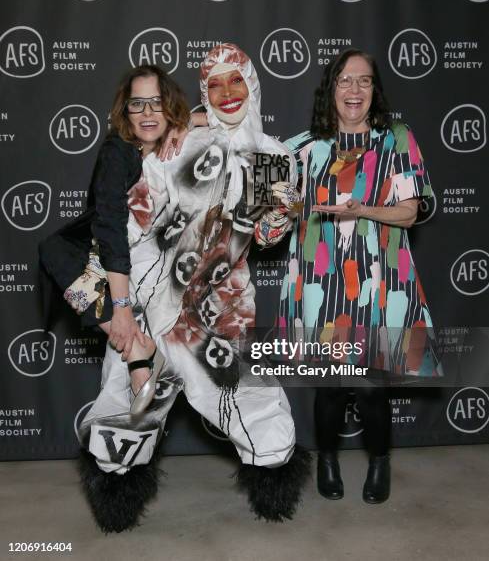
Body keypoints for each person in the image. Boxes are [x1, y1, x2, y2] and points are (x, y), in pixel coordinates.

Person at [43, 45, 309, 532]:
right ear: (203, 91)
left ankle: (274, 489)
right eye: (215, 84)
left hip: (220, 307)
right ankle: (116, 500)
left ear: (252, 83)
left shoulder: (273, 156)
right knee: (125, 402)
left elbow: (265, 236)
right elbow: (135, 220)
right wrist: (138, 296)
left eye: (236, 81)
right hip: (150, 297)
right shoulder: (178, 143)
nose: (227, 93)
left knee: (249, 399)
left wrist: (281, 216)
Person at [256, 48, 442, 504]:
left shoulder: (397, 138)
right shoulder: (296, 148)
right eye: (344, 80)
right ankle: (328, 459)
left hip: (380, 283)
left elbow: (410, 212)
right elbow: (262, 230)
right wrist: (272, 212)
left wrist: (362, 210)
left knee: (372, 387)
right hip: (319, 285)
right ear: (330, 89)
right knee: (333, 388)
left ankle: (380, 461)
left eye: (363, 81)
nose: (354, 90)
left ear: (374, 90)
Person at [40, 65, 189, 405]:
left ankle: (139, 350)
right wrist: (120, 309)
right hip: (117, 264)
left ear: (171, 105)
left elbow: (235, 121)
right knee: (55, 252)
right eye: (138, 104)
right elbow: (110, 228)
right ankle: (136, 348)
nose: (148, 112)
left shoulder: (183, 143)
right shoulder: (117, 152)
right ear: (126, 111)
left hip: (175, 269)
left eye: (158, 102)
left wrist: (186, 123)